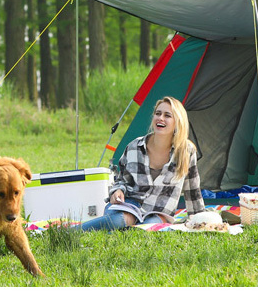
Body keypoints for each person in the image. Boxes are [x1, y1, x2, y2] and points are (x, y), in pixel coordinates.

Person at [82, 96, 205, 230]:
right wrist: (117, 190)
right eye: (157, 113)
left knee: (145, 229)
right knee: (117, 221)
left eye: (167, 115)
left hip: (159, 211)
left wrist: (199, 220)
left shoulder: (186, 151)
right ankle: (68, 233)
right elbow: (120, 179)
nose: (160, 118)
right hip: (130, 204)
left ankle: (114, 234)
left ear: (177, 122)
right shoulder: (135, 146)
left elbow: (192, 190)